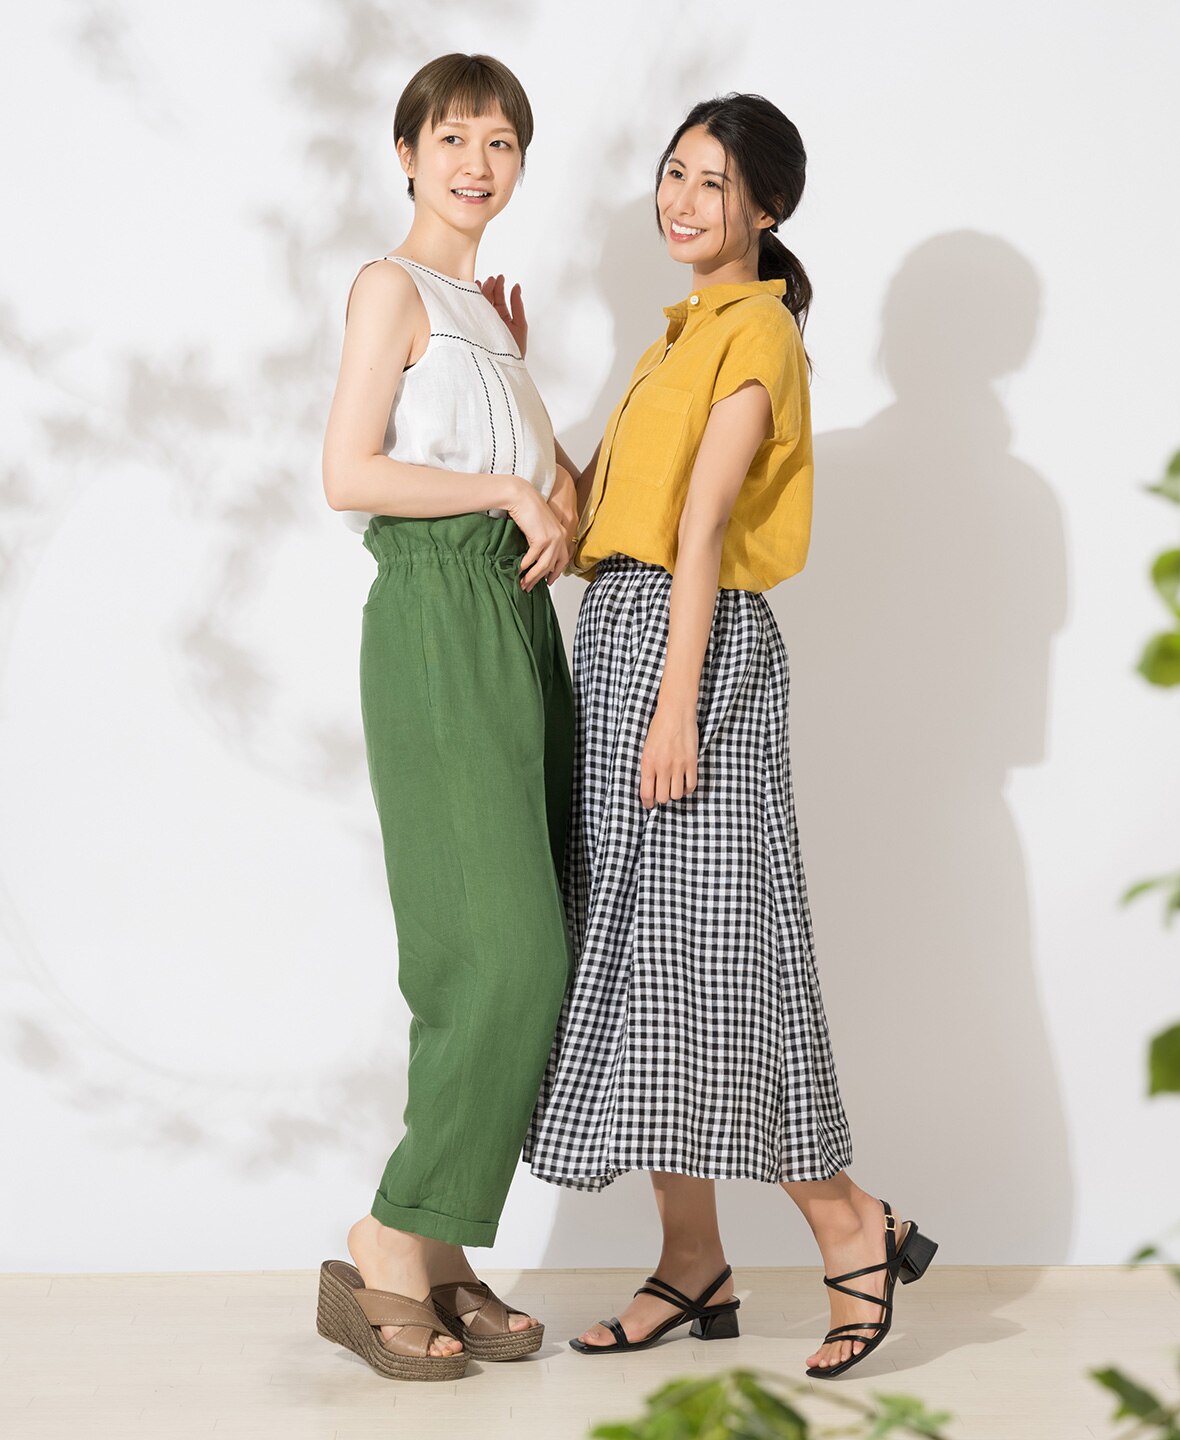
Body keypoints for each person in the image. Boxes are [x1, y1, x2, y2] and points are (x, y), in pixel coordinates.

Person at [508, 92, 938, 1380]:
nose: (682, 200)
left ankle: (851, 1224)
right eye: (675, 173)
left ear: (767, 207)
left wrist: (676, 704)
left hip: (692, 660)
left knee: (733, 958)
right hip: (625, 639)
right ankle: (692, 1262)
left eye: (713, 182)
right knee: (642, 959)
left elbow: (700, 536)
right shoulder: (678, 336)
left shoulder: (757, 332)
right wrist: (519, 373)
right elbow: (591, 512)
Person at [314, 53, 577, 1382]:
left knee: (517, 952)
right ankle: (388, 1237)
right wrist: (502, 490)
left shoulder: (488, 317)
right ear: (408, 153)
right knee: (500, 952)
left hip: (519, 627)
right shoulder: (391, 287)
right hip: (434, 616)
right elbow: (347, 472)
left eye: (503, 142)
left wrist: (539, 437)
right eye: (455, 137)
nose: (479, 163)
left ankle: (438, 1243)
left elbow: (569, 511)